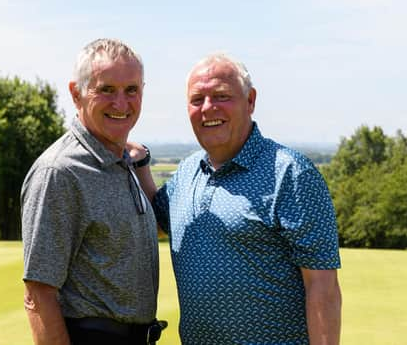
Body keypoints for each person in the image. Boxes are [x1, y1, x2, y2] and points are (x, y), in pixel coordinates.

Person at [130, 53, 342, 344]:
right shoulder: (187, 171)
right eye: (196, 99)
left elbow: (323, 288)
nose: (208, 108)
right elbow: (156, 223)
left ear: (251, 100)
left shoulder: (290, 174)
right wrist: (141, 165)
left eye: (221, 96)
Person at [21, 38, 166, 345]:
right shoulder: (59, 172)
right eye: (106, 90)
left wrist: (140, 163)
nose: (121, 104)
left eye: (131, 90)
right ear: (77, 94)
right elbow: (38, 294)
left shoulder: (120, 161)